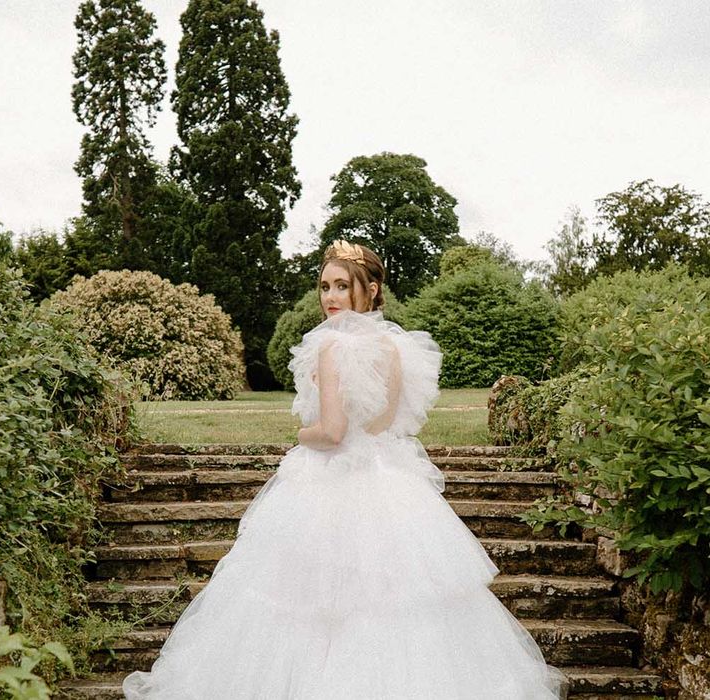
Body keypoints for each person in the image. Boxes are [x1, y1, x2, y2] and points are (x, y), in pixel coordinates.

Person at [122, 240, 565, 699]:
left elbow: (332, 433)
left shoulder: (330, 346)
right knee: (394, 602)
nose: (330, 297)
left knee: (312, 599)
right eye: (324, 286)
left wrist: (301, 436)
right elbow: (385, 422)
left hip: (330, 482)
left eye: (342, 286)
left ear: (370, 290)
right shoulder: (394, 348)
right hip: (389, 482)